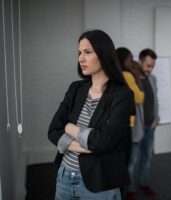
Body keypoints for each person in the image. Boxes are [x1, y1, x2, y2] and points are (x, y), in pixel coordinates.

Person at [48, 30, 134, 200]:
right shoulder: (76, 89)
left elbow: (103, 141)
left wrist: (70, 128)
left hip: (99, 182)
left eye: (87, 52)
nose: (81, 58)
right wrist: (87, 145)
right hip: (64, 177)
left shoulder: (122, 95)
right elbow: (53, 131)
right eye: (79, 53)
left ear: (103, 54)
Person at [116, 47, 145, 200]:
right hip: (131, 124)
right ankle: (127, 192)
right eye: (129, 59)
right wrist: (140, 87)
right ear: (124, 60)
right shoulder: (126, 75)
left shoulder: (112, 75)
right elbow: (138, 98)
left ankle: (121, 191)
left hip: (119, 123)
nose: (131, 61)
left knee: (123, 160)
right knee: (132, 160)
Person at [136, 48, 159, 197]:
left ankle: (143, 184)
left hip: (150, 126)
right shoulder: (132, 79)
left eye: (152, 66)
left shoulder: (153, 79)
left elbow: (154, 100)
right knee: (132, 160)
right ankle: (130, 190)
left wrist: (156, 117)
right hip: (136, 128)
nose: (150, 69)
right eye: (148, 65)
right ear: (140, 62)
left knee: (147, 158)